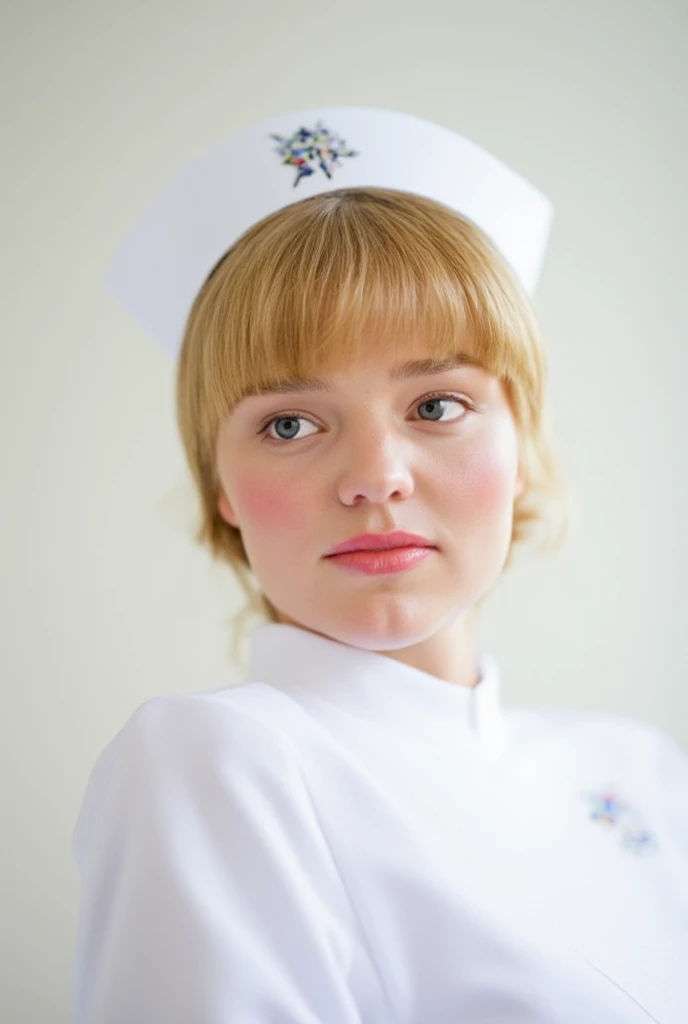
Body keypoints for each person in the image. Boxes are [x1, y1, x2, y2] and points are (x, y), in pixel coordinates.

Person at [72, 107, 688, 1023]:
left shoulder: (641, 772)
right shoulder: (217, 761)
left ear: (521, 443)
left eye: (437, 405)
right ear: (223, 489)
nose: (376, 479)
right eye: (290, 423)